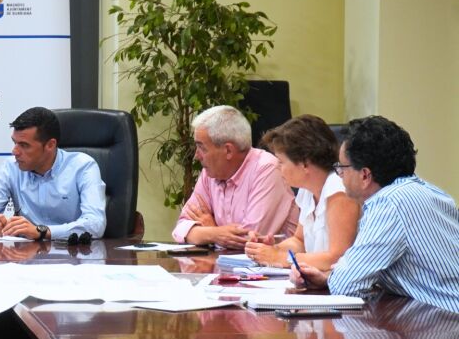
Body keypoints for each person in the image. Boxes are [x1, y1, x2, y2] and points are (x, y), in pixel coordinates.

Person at [293, 116, 459, 312]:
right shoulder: (429, 191)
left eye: (342, 168)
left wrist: (335, 277)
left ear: (365, 175)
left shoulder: (389, 204)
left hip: (446, 320)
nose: (340, 175)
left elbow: (346, 285)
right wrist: (327, 278)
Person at [0, 107, 106, 240]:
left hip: (73, 253)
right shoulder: (11, 167)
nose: (14, 152)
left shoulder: (83, 166)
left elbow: (95, 223)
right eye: (15, 143)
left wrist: (42, 231)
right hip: (25, 253)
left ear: (50, 145)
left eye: (24, 145)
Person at [172, 105, 298, 248]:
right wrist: (215, 233)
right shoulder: (210, 173)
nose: (196, 155)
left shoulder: (266, 169)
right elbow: (181, 228)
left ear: (228, 150)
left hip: (278, 261)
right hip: (227, 260)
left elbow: (249, 239)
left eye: (202, 147)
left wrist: (210, 231)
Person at [245, 115, 361, 270]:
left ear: (305, 163)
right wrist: (271, 249)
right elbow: (299, 241)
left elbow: (337, 257)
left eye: (281, 161)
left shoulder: (338, 190)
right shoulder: (307, 190)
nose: (277, 167)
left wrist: (280, 257)